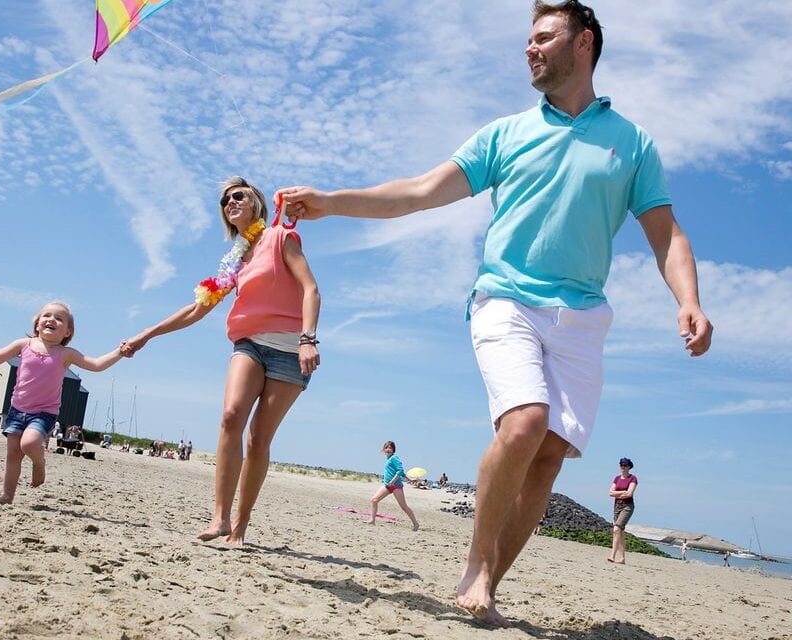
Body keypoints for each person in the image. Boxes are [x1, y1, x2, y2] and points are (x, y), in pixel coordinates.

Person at [275, 1, 713, 626]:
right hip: (505, 298)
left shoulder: (632, 143)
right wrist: (332, 201)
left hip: (583, 316)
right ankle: (476, 568)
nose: (530, 49)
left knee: (551, 454)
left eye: (544, 37)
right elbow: (420, 192)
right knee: (525, 423)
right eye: (528, 39)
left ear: (583, 42)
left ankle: (487, 589)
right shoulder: (504, 134)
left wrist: (689, 299)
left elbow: (666, 235)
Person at [121, 177, 321, 545]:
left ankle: (242, 526)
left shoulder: (280, 237)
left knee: (258, 438)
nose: (230, 202)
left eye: (238, 195)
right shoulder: (235, 262)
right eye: (225, 200)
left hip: (291, 351)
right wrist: (146, 335)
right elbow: (197, 310)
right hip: (249, 344)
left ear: (257, 202)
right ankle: (220, 519)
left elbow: (311, 288)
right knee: (231, 416)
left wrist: (308, 339)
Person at [0, 301, 124, 504]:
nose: (51, 320)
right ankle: (7, 496)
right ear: (37, 324)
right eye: (47, 316)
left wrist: (119, 352)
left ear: (67, 332)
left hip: (44, 412)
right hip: (17, 409)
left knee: (29, 443)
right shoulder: (24, 345)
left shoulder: (65, 354)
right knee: (13, 455)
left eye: (59, 318)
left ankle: (39, 463)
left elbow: (95, 364)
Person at [366, 441, 420, 530]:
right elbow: (401, 473)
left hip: (396, 486)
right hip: (387, 485)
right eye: (386, 448)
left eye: (390, 448)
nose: (388, 449)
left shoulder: (394, 458)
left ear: (393, 450)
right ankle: (372, 520)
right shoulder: (388, 459)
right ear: (384, 449)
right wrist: (409, 479)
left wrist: (393, 481)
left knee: (403, 506)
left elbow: (400, 470)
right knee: (374, 500)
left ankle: (416, 524)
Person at [608, 457, 638, 564]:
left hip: (627, 506)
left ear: (629, 466)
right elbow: (610, 493)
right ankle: (622, 558)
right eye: (621, 465)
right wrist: (623, 492)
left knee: (616, 529)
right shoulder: (617, 478)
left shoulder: (632, 478)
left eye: (625, 465)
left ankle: (612, 556)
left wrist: (618, 493)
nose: (623, 467)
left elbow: (629, 494)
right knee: (620, 532)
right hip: (617, 506)